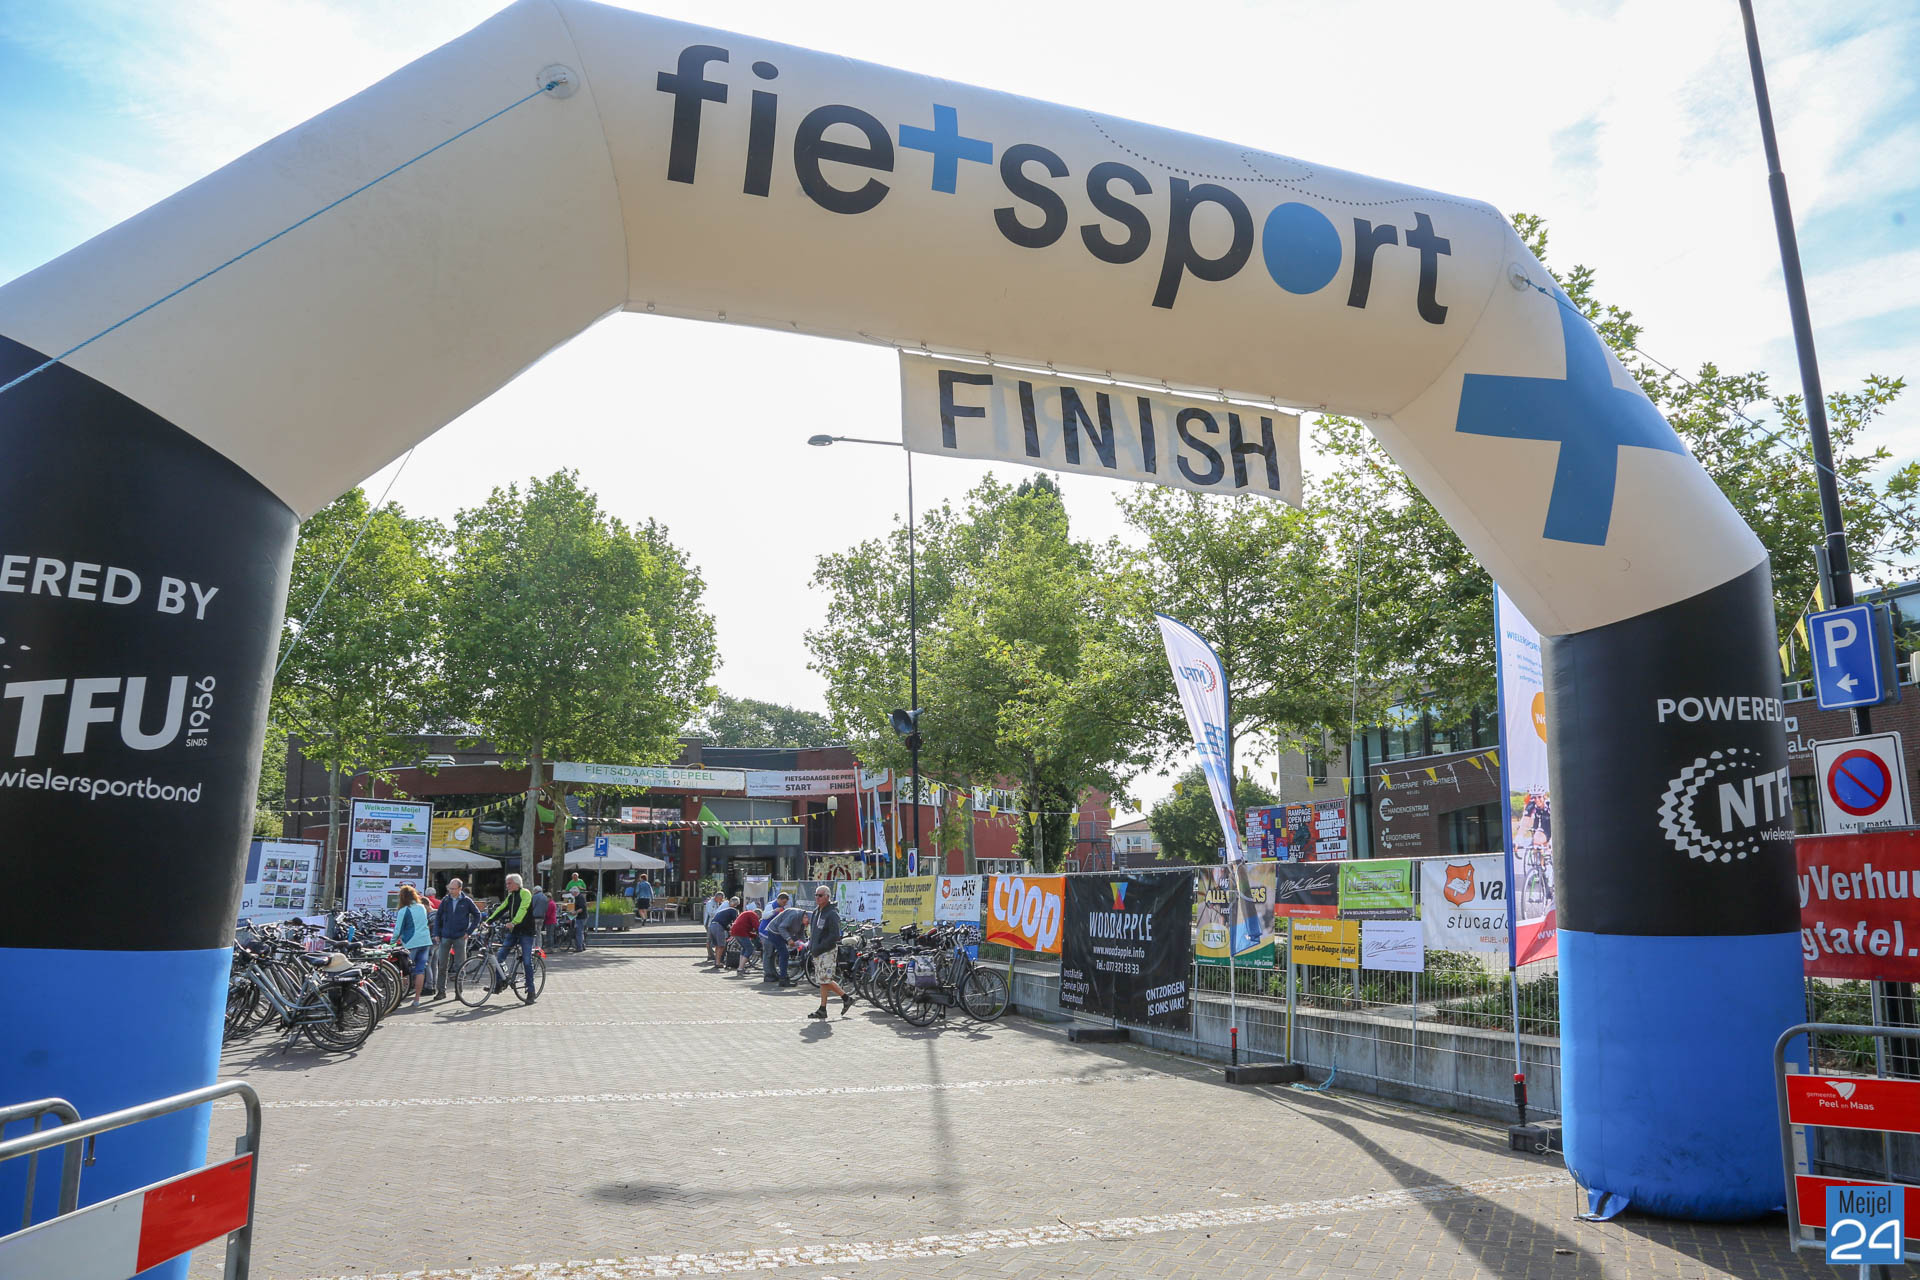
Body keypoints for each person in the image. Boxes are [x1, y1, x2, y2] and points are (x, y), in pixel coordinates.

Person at [484, 873, 539, 1002]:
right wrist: (488, 921)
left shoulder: (525, 893)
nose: (507, 885)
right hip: (514, 931)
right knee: (499, 957)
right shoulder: (511, 896)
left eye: (509, 883)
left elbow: (523, 909)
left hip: (526, 932)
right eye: (506, 883)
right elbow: (501, 908)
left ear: (516, 883)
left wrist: (513, 922)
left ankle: (531, 991)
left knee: (527, 961)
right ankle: (499, 984)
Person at [430, 878, 481, 1000]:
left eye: (453, 889)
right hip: (445, 936)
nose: (451, 891)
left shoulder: (466, 901)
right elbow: (438, 917)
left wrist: (468, 932)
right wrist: (436, 933)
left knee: (460, 965)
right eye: (450, 888)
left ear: (460, 889)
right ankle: (441, 991)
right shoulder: (445, 900)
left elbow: (477, 915)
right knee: (442, 965)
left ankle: (458, 991)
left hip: (460, 937)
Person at [808, 885, 852, 1019]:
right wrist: (811, 946)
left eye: (820, 895)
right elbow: (814, 931)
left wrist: (820, 947)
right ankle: (823, 1008)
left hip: (827, 951)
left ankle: (846, 998)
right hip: (817, 951)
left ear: (827, 897)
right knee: (822, 980)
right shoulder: (816, 911)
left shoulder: (832, 914)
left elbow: (834, 935)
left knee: (825, 979)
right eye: (816, 895)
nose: (817, 898)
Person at [392, 884, 432, 1008]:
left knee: (404, 971)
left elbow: (398, 930)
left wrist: (391, 943)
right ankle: (417, 999)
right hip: (425, 941)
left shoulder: (404, 910)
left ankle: (399, 998)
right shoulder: (422, 907)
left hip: (411, 943)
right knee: (420, 970)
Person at [764, 892, 803, 986]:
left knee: (777, 953)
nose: (784, 904)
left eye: (786, 903)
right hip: (766, 931)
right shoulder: (771, 905)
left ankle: (776, 974)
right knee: (768, 954)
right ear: (779, 899)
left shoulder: (784, 907)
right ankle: (768, 975)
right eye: (784, 902)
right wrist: (774, 911)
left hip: (777, 931)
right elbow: (764, 916)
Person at [708, 895, 740, 968]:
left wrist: (729, 930)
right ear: (736, 905)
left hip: (712, 925)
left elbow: (726, 923)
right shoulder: (733, 910)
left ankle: (717, 961)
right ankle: (718, 963)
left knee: (717, 945)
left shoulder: (725, 909)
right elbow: (736, 922)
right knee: (721, 945)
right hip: (718, 926)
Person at [729, 900, 761, 971]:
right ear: (758, 915)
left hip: (735, 931)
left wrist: (754, 935)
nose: (758, 919)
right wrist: (760, 935)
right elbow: (757, 927)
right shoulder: (753, 914)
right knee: (749, 949)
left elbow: (745, 928)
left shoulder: (746, 913)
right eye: (758, 918)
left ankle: (740, 966)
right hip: (741, 932)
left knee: (744, 948)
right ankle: (741, 968)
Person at [570, 884, 589, 952]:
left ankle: (579, 947)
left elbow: (581, 908)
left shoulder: (580, 898)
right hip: (582, 916)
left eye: (572, 893)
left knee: (579, 932)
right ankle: (582, 946)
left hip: (581, 917)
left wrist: (575, 912)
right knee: (581, 932)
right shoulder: (579, 897)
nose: (571, 894)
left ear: (575, 892)